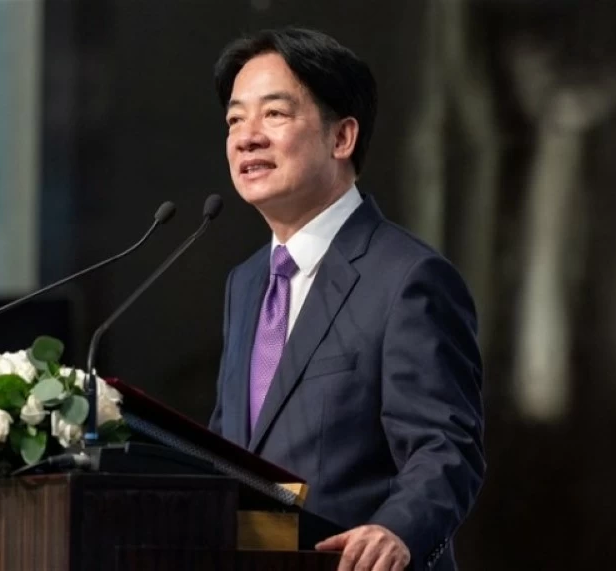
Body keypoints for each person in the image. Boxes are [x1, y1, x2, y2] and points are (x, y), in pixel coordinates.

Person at [208, 27, 485, 571]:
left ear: (342, 137)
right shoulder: (246, 283)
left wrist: (398, 530)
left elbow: (446, 448)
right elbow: (229, 449)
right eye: (235, 120)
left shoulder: (409, 277)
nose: (246, 138)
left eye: (274, 114)